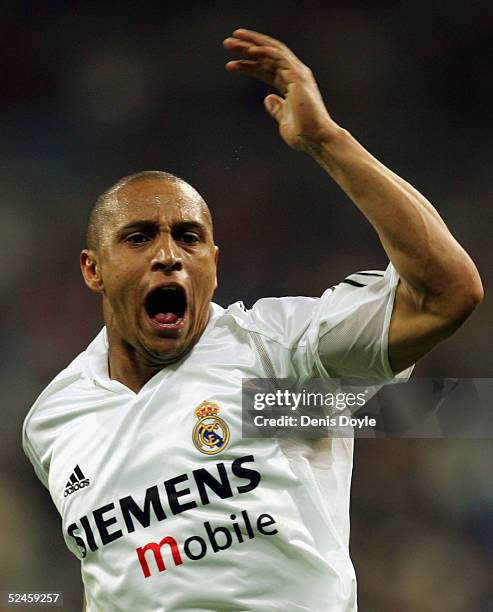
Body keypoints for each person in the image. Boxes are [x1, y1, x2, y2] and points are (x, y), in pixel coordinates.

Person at [22, 28, 482, 612]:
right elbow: (115, 578)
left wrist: (326, 141)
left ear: (213, 265)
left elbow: (447, 294)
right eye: (139, 237)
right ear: (93, 269)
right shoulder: (53, 421)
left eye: (188, 238)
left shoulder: (281, 355)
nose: (168, 254)